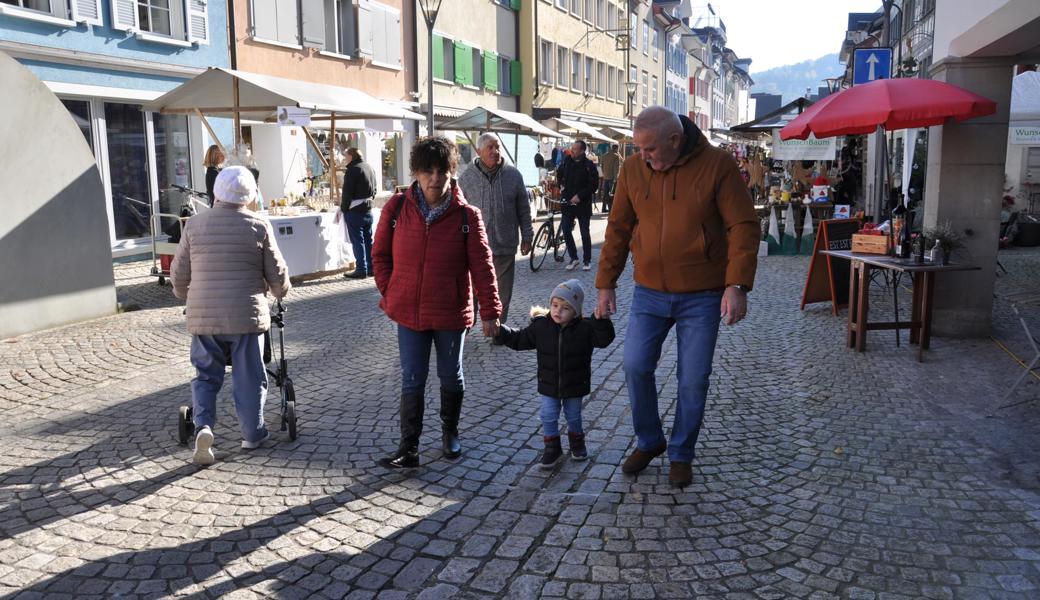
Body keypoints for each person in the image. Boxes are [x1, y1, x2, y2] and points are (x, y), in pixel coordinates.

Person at [594, 106, 759, 488]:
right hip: (649, 291)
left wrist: (736, 285)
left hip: (702, 294)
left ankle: (681, 453)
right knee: (635, 366)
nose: (643, 156)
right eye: (638, 148)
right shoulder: (633, 169)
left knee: (693, 379)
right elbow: (618, 227)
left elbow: (743, 225)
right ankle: (649, 440)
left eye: (649, 149)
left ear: (675, 139)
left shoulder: (717, 165)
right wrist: (606, 283)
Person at [372, 136, 502, 469]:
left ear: (451, 172)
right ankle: (409, 447)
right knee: (412, 378)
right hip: (409, 312)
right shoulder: (396, 208)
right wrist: (392, 289)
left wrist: (491, 311)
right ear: (416, 172)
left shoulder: (467, 217)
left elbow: (483, 267)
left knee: (451, 375)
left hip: (450, 312)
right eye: (427, 171)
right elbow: (380, 255)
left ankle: (450, 432)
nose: (434, 178)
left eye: (441, 171)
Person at [170, 166, 292, 465]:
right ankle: (252, 434)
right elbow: (277, 274)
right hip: (246, 317)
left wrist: (184, 294)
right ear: (250, 195)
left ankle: (204, 427)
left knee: (205, 376)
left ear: (216, 193)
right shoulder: (259, 225)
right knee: (249, 377)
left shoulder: (194, 225)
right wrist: (281, 290)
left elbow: (179, 273)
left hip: (205, 317)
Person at [494, 279, 614, 468]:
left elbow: (604, 340)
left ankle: (577, 443)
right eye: (555, 305)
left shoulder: (585, 328)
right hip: (548, 384)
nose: (558, 311)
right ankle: (552, 449)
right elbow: (520, 339)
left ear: (576, 311)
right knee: (548, 415)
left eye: (565, 308)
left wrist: (601, 321)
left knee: (573, 416)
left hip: (575, 384)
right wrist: (501, 332)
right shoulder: (541, 326)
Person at [457, 133, 534, 322]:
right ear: (479, 151)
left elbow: (523, 209)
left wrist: (527, 236)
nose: (495, 151)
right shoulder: (466, 178)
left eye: (497, 147)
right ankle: (467, 325)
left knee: (502, 294)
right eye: (490, 147)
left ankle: (498, 328)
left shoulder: (513, 175)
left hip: (505, 244)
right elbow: (458, 213)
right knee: (472, 292)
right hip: (475, 248)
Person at [557, 140, 599, 271]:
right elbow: (559, 176)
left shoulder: (589, 165)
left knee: (584, 233)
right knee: (566, 230)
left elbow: (593, 185)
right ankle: (574, 258)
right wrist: (561, 188)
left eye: (575, 149)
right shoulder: (566, 162)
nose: (572, 151)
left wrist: (580, 196)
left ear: (582, 151)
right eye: (572, 148)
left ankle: (587, 260)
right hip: (568, 204)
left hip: (583, 205)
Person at [340, 147, 378, 279]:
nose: (345, 158)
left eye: (346, 156)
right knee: (368, 240)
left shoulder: (352, 170)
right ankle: (371, 268)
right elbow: (375, 189)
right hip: (368, 208)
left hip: (355, 210)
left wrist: (344, 208)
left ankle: (361, 269)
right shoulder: (369, 167)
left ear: (351, 156)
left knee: (358, 241)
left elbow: (347, 193)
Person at [599, 143, 622, 213]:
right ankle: (610, 209)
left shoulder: (604, 155)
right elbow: (616, 168)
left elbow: (602, 166)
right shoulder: (616, 156)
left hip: (605, 176)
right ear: (617, 148)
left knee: (605, 193)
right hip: (612, 177)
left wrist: (604, 173)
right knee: (612, 193)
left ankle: (603, 208)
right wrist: (616, 178)